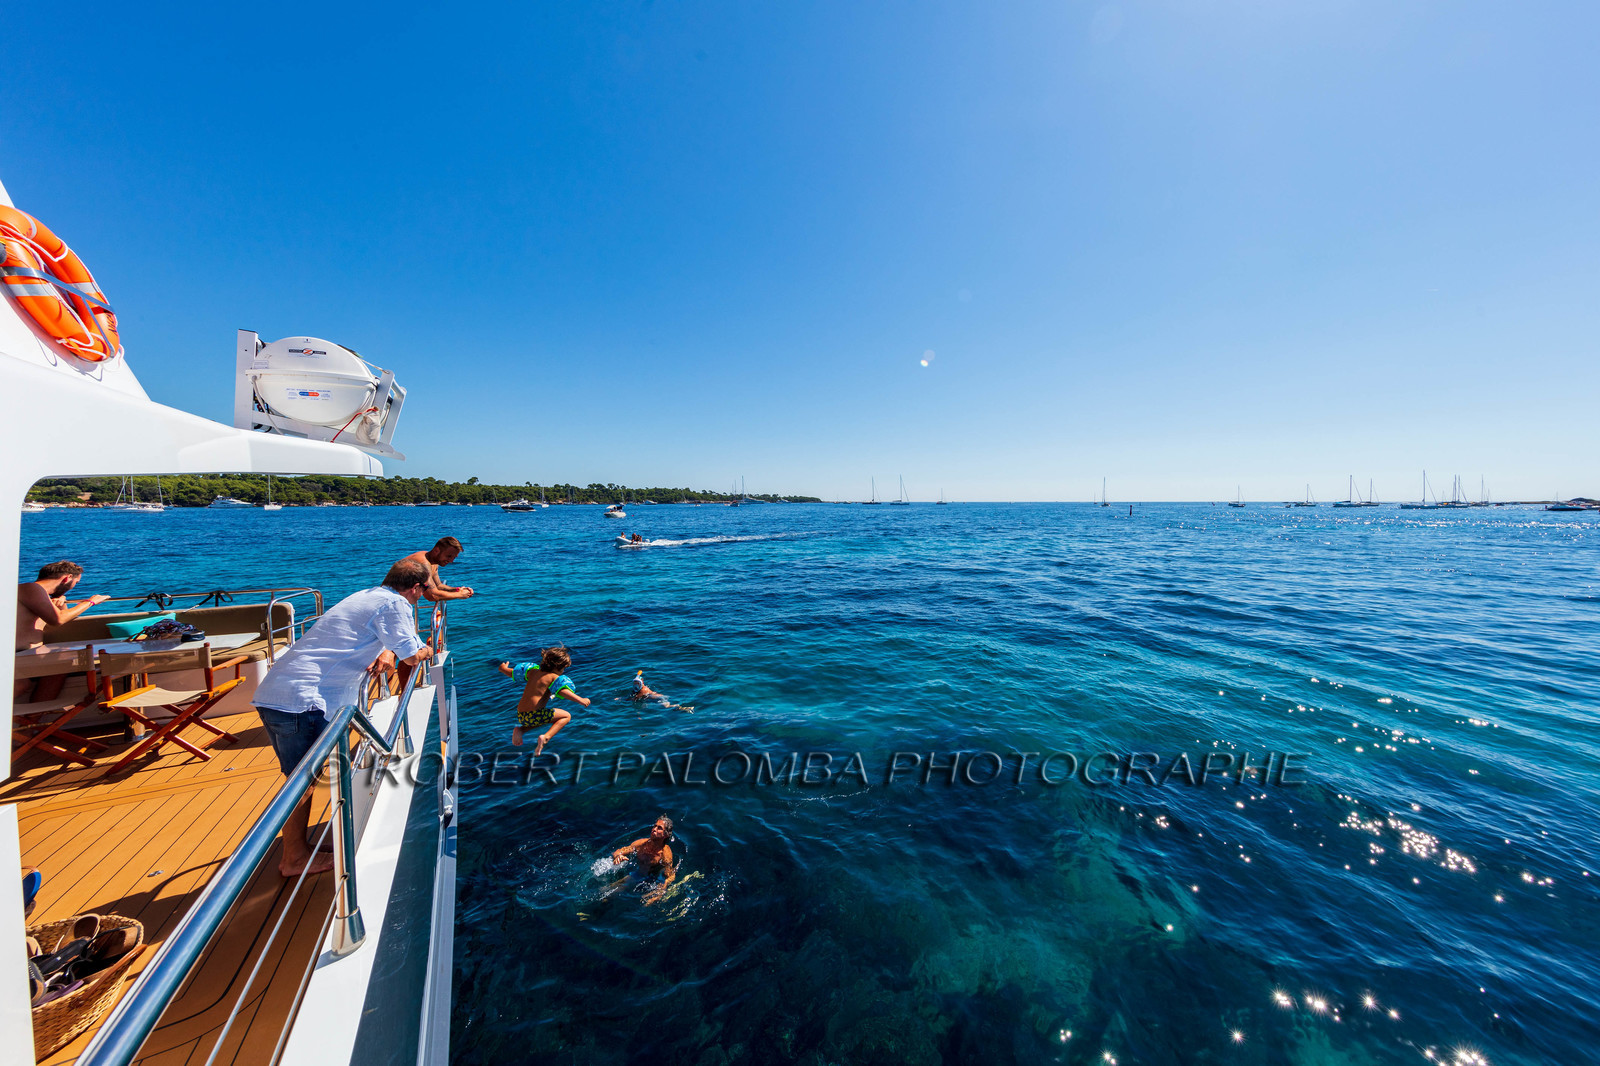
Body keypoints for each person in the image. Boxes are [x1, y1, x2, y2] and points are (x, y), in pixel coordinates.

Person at [253, 559, 434, 877]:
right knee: (304, 783)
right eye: (423, 590)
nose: (422, 597)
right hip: (306, 702)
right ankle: (295, 857)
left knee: (300, 780)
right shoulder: (395, 603)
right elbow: (411, 653)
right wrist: (426, 652)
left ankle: (299, 849)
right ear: (416, 588)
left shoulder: (366, 596)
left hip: (278, 695)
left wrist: (385, 651)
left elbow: (370, 637)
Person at [15, 561, 109, 701]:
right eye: (75, 582)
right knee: (23, 684)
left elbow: (64, 618)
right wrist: (90, 602)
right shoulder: (31, 588)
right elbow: (57, 620)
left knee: (61, 667)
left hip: (30, 655)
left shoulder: (42, 595)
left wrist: (62, 604)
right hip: (18, 655)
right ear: (67, 578)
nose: (73, 587)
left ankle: (33, 719)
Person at [498, 646, 590, 754]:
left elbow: (513, 674)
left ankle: (520, 730)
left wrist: (503, 668)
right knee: (566, 716)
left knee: (543, 718)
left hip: (521, 715)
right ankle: (546, 737)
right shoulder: (552, 677)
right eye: (563, 668)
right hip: (535, 715)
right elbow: (562, 692)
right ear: (558, 667)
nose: (563, 671)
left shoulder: (532, 672)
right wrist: (581, 700)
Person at [611, 815, 677, 905]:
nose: (654, 829)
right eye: (654, 826)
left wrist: (662, 889)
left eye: (659, 828)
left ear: (665, 834)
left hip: (654, 880)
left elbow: (670, 875)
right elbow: (619, 851)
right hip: (637, 875)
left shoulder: (665, 853)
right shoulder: (641, 844)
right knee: (608, 892)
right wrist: (618, 856)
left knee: (646, 904)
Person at [397, 537, 475, 603]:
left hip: (397, 601)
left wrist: (458, 589)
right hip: (392, 601)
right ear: (437, 550)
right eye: (449, 556)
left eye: (454, 557)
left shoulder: (433, 562)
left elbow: (438, 586)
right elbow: (432, 596)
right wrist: (460, 595)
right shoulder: (423, 563)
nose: (451, 561)